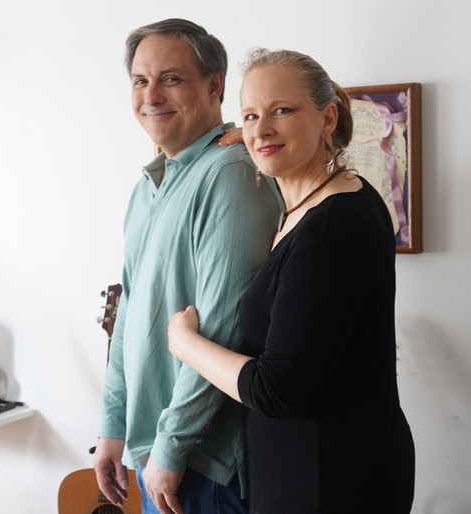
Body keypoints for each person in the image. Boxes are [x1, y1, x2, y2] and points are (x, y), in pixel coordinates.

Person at [168, 48, 415, 513]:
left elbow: (276, 391)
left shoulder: (330, 229)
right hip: (329, 464)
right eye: (250, 115)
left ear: (327, 119)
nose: (261, 128)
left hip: (328, 482)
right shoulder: (337, 197)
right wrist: (266, 136)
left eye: (283, 110)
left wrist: (184, 343)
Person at [93, 19, 282, 514]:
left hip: (199, 465)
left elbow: (224, 326)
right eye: (140, 80)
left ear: (214, 85)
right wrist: (114, 426)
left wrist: (171, 446)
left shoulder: (231, 174)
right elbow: (129, 314)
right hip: (151, 454)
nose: (151, 95)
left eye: (171, 79)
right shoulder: (148, 187)